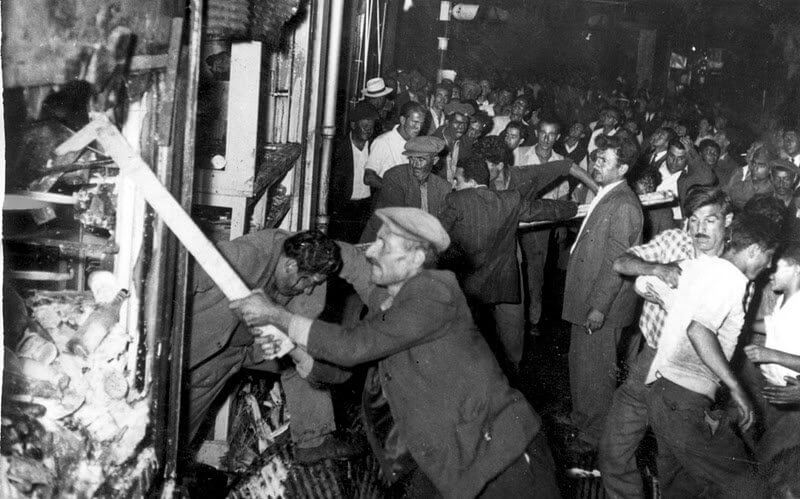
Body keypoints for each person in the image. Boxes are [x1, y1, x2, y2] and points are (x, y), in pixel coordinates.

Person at [232, 207, 561, 498]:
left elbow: (353, 347)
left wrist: (277, 315)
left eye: (383, 245)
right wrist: (297, 353)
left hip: (501, 458)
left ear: (415, 259)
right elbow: (346, 371)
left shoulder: (434, 293)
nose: (372, 252)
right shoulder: (392, 307)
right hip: (452, 460)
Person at [599, 186, 734, 498]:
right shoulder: (674, 240)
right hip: (648, 361)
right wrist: (656, 268)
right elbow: (621, 262)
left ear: (727, 221)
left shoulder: (735, 264)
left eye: (710, 220)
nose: (699, 229)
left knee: (675, 469)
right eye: (694, 220)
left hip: (690, 377)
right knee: (613, 450)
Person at [187, 230, 356, 463]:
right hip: (193, 346)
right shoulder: (246, 256)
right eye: (307, 281)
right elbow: (180, 273)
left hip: (235, 354)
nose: (308, 289)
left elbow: (302, 337)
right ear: (289, 266)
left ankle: (313, 442)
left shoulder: (307, 282)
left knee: (178, 432)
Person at [642, 213, 778, 498]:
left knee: (682, 490)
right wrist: (736, 388)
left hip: (663, 396)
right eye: (768, 256)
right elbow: (699, 331)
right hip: (686, 406)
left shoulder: (704, 267)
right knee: (751, 489)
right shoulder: (732, 279)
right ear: (754, 250)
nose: (769, 265)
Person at [438, 155, 579, 372]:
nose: (454, 184)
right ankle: (514, 372)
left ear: (472, 182)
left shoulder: (455, 201)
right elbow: (545, 209)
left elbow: (436, 237)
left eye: (457, 179)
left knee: (470, 341)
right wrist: (574, 208)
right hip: (504, 282)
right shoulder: (510, 199)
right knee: (512, 337)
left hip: (469, 287)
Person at [562, 134, 643, 465]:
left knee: (596, 373)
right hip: (588, 297)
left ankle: (594, 435)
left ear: (622, 168)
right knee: (581, 363)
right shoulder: (609, 194)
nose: (595, 164)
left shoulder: (623, 205)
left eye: (603, 161)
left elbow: (616, 262)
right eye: (596, 157)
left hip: (601, 305)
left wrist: (598, 307)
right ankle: (582, 418)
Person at [744, 241, 800, 464]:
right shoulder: (783, 301)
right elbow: (768, 325)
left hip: (793, 398)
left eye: (776, 267)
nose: (770, 273)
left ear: (796, 269)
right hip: (777, 395)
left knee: (769, 462)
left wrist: (770, 355)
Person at [360, 136, 451, 243]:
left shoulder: (443, 187)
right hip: (383, 242)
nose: (415, 164)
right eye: (411, 158)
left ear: (434, 160)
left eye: (421, 159)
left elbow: (443, 225)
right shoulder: (395, 176)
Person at [328, 102, 379, 243]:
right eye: (365, 126)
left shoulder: (376, 146)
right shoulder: (338, 147)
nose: (368, 131)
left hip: (367, 207)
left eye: (371, 127)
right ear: (353, 125)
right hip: (344, 208)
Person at [363, 101, 427, 190]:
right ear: (403, 120)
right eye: (415, 122)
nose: (418, 128)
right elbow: (368, 177)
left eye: (421, 123)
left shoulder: (418, 144)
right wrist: (394, 190)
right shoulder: (383, 142)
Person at [431, 101, 474, 184]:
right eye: (457, 123)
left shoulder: (466, 143)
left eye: (465, 123)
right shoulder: (433, 142)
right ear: (447, 122)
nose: (462, 127)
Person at [725, 142, 774, 209]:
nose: (755, 168)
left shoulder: (775, 191)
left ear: (770, 168)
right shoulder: (738, 187)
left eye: (761, 165)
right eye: (754, 163)